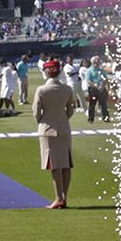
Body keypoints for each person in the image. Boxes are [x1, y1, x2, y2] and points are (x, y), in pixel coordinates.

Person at [34, 59, 79, 209]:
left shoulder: (42, 90)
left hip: (47, 128)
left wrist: (43, 121)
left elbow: (36, 111)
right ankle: (64, 197)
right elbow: (71, 110)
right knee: (66, 164)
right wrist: (63, 118)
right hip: (64, 128)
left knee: (54, 165)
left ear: (47, 72)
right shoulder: (67, 89)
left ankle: (58, 198)